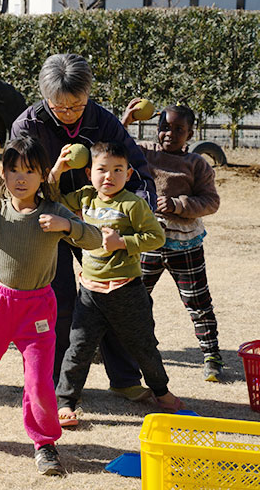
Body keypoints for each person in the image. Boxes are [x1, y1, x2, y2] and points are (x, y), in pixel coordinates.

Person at [0, 135, 103, 477]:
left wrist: (67, 225)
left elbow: (95, 239)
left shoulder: (53, 213)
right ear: (3, 174)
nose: (21, 177)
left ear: (43, 175)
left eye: (29, 170)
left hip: (37, 307)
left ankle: (44, 443)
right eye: (13, 170)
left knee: (40, 380)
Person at [10, 54, 156, 401]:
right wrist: (53, 174)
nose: (70, 113)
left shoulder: (102, 120)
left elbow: (136, 168)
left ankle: (124, 378)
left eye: (77, 105)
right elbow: (16, 180)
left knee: (115, 296)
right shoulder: (28, 126)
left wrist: (138, 207)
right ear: (46, 99)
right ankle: (60, 385)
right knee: (57, 303)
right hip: (47, 222)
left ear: (88, 94)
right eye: (61, 108)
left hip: (97, 222)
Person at [50, 141, 183, 424]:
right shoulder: (84, 198)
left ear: (129, 173)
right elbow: (51, 201)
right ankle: (66, 402)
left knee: (143, 345)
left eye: (117, 170)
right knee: (78, 347)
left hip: (127, 291)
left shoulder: (132, 204)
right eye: (102, 170)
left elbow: (156, 237)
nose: (109, 176)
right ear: (89, 173)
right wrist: (58, 169)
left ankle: (161, 391)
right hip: (90, 292)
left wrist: (121, 242)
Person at [122, 101, 223, 381]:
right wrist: (126, 120)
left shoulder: (196, 164)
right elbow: (113, 148)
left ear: (190, 134)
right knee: (133, 299)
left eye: (179, 129)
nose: (170, 133)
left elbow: (211, 202)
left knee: (197, 301)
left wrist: (178, 205)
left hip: (185, 246)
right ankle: (122, 348)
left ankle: (212, 355)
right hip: (146, 243)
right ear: (156, 128)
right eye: (165, 127)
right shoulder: (143, 153)